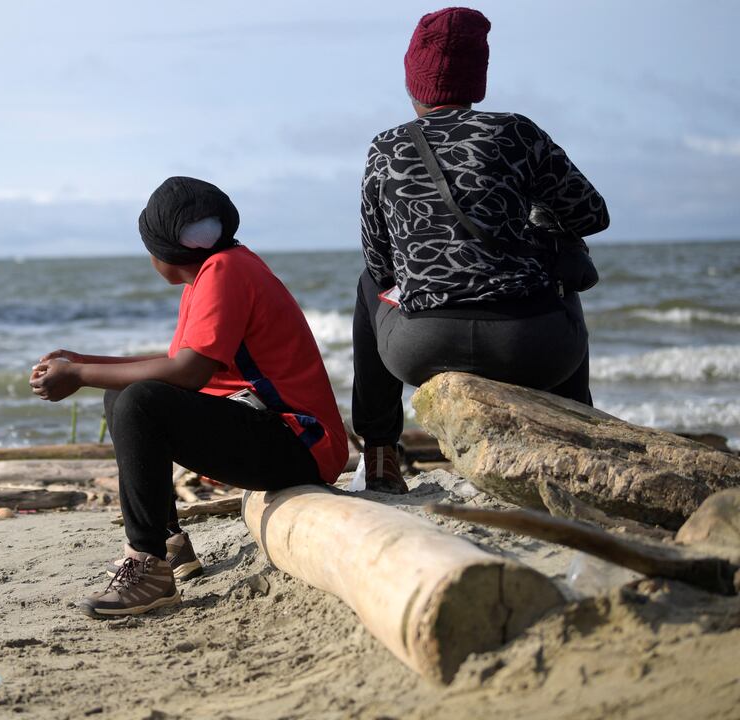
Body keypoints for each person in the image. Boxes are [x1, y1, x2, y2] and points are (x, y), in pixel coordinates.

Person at [30, 176, 348, 618]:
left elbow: (190, 372)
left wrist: (81, 374)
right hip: (268, 427)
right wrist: (86, 361)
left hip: (301, 442)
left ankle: (148, 564)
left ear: (162, 252)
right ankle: (169, 544)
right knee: (122, 395)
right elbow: (181, 360)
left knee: (140, 402)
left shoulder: (225, 272)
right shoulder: (215, 270)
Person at [354, 7, 609, 494]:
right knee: (560, 270)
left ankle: (381, 454)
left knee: (367, 285)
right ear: (478, 80)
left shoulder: (385, 148)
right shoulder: (516, 132)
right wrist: (539, 222)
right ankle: (581, 445)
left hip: (422, 345)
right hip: (531, 346)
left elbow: (378, 263)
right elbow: (592, 214)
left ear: (414, 82)